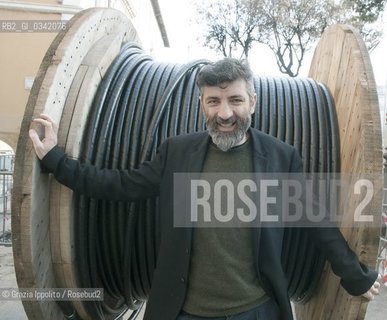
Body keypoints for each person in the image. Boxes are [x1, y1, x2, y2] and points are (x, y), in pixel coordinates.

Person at [29, 58, 381, 320]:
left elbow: (315, 219)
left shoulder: (279, 157)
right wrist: (55, 159)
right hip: (183, 311)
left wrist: (356, 275)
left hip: (256, 311)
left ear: (252, 103)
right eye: (213, 101)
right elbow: (120, 185)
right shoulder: (177, 153)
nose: (224, 113)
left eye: (235, 100)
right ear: (202, 105)